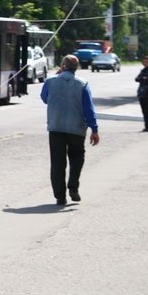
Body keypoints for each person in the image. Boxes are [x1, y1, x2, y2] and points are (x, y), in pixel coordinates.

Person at [41, 55, 100, 205]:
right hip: (77, 128)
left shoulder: (50, 81)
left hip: (56, 127)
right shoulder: (83, 84)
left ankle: (60, 196)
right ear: (76, 68)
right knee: (77, 157)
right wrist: (94, 129)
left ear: (62, 66)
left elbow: (45, 98)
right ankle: (73, 187)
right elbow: (89, 109)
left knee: (57, 162)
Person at [135, 55, 148, 132]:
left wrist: (143, 78)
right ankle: (146, 126)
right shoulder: (142, 71)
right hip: (141, 92)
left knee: (147, 110)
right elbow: (136, 79)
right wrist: (143, 78)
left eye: (146, 62)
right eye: (144, 62)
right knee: (143, 110)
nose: (145, 63)